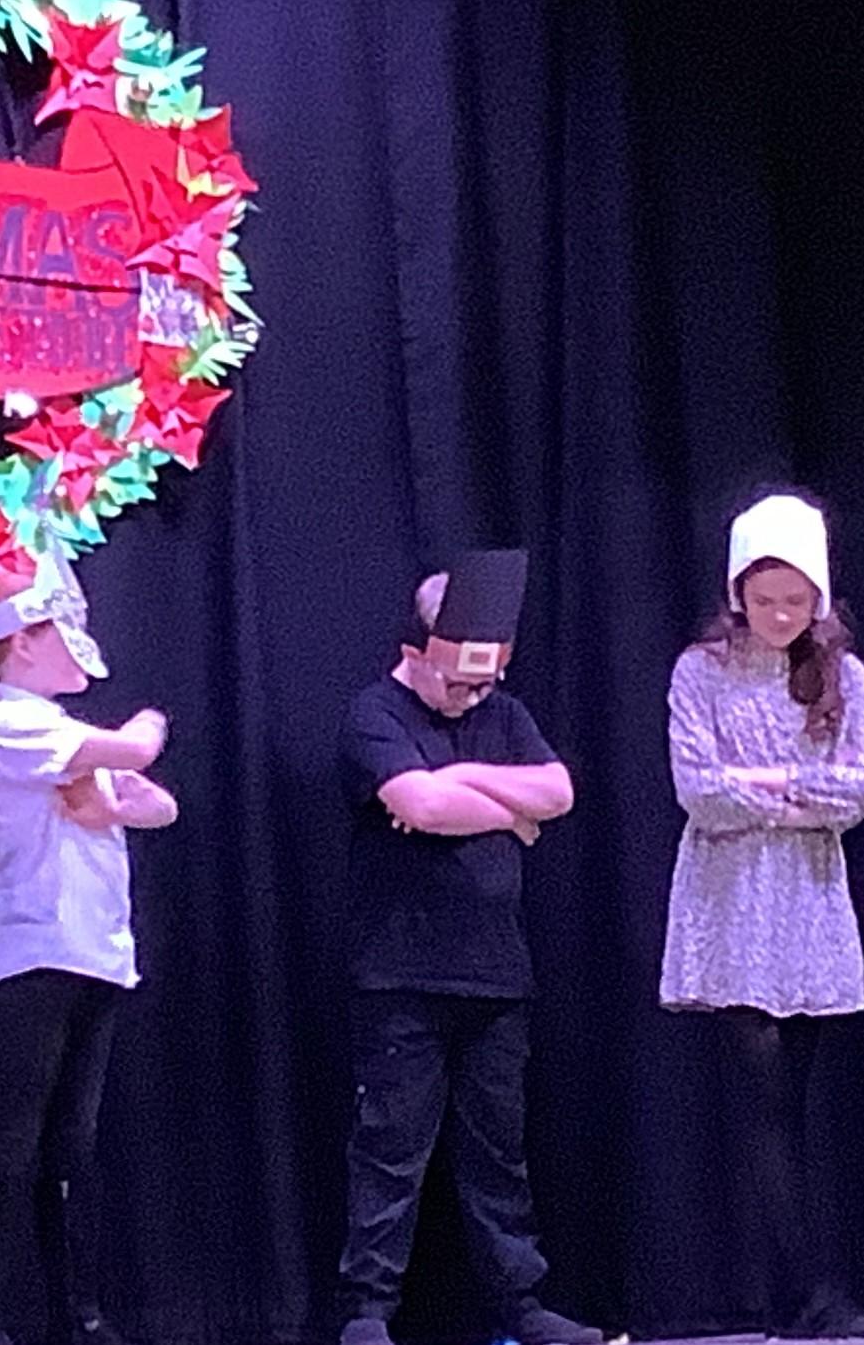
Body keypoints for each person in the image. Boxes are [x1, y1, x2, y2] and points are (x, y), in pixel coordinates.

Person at [336, 552, 605, 1345]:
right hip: (401, 971)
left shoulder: (505, 714)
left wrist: (465, 783)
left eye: (482, 686)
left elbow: (557, 792)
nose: (470, 698)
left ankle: (520, 1305)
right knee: (390, 1148)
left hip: (496, 973)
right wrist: (509, 812)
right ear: (415, 652)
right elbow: (418, 803)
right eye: (457, 685)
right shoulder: (373, 714)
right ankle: (368, 1311)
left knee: (499, 1154)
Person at [659, 493, 864, 1337]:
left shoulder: (843, 677)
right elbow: (699, 790)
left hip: (808, 901)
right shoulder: (700, 671)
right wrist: (796, 797)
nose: (781, 616)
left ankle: (796, 1297)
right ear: (737, 595)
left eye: (796, 600)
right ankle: (801, 1294)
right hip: (731, 903)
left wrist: (769, 785)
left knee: (799, 1107)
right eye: (765, 601)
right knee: (763, 1108)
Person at [0, 545, 177, 1345]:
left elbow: (160, 805)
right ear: (21, 642)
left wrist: (112, 805)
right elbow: (138, 754)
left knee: (70, 1145)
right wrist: (150, 723)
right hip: (40, 953)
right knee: (11, 1139)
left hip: (95, 951)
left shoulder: (61, 732)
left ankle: (77, 1313)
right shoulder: (14, 725)